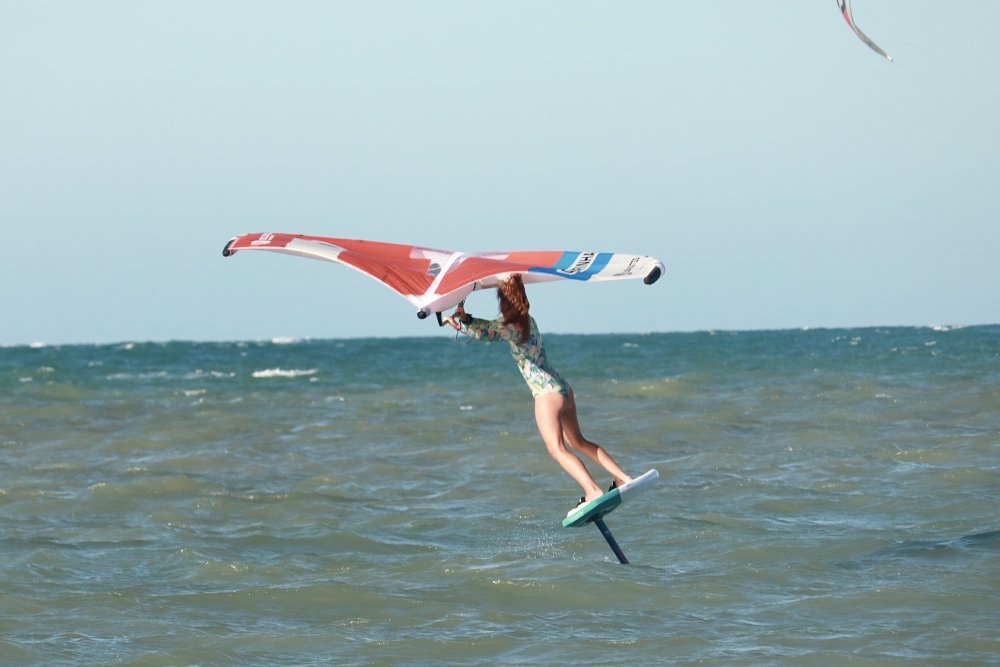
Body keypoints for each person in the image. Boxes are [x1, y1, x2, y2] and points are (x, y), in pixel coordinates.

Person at [443, 274, 633, 513]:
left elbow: (488, 334)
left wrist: (460, 324)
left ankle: (592, 491)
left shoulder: (511, 328)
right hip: (563, 389)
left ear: (504, 301)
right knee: (578, 441)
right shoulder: (527, 321)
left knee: (557, 448)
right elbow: (491, 327)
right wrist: (467, 319)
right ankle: (622, 477)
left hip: (546, 395)